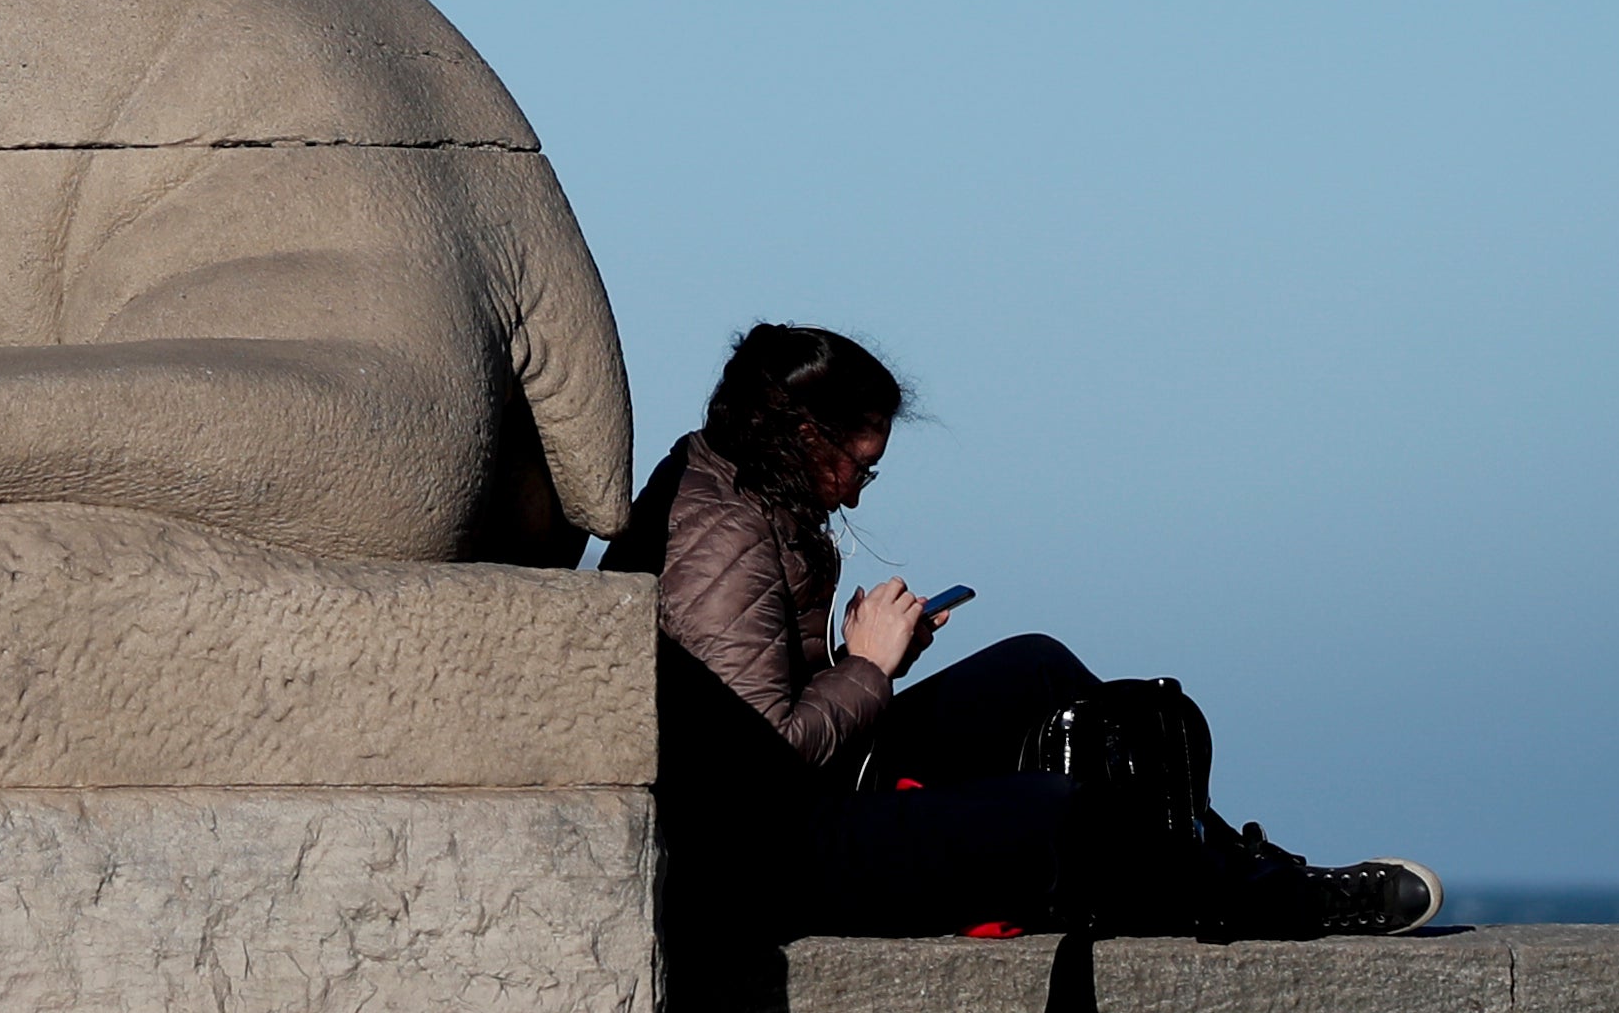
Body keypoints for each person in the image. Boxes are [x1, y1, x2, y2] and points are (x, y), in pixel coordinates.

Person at [604, 321, 1439, 941]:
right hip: (765, 860)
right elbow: (763, 766)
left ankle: (1219, 856)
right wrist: (867, 666)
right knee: (1054, 809)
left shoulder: (745, 490)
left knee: (1036, 667)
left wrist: (871, 661)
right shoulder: (722, 540)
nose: (857, 493)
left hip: (802, 801)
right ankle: (1277, 902)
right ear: (802, 434)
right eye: (856, 465)